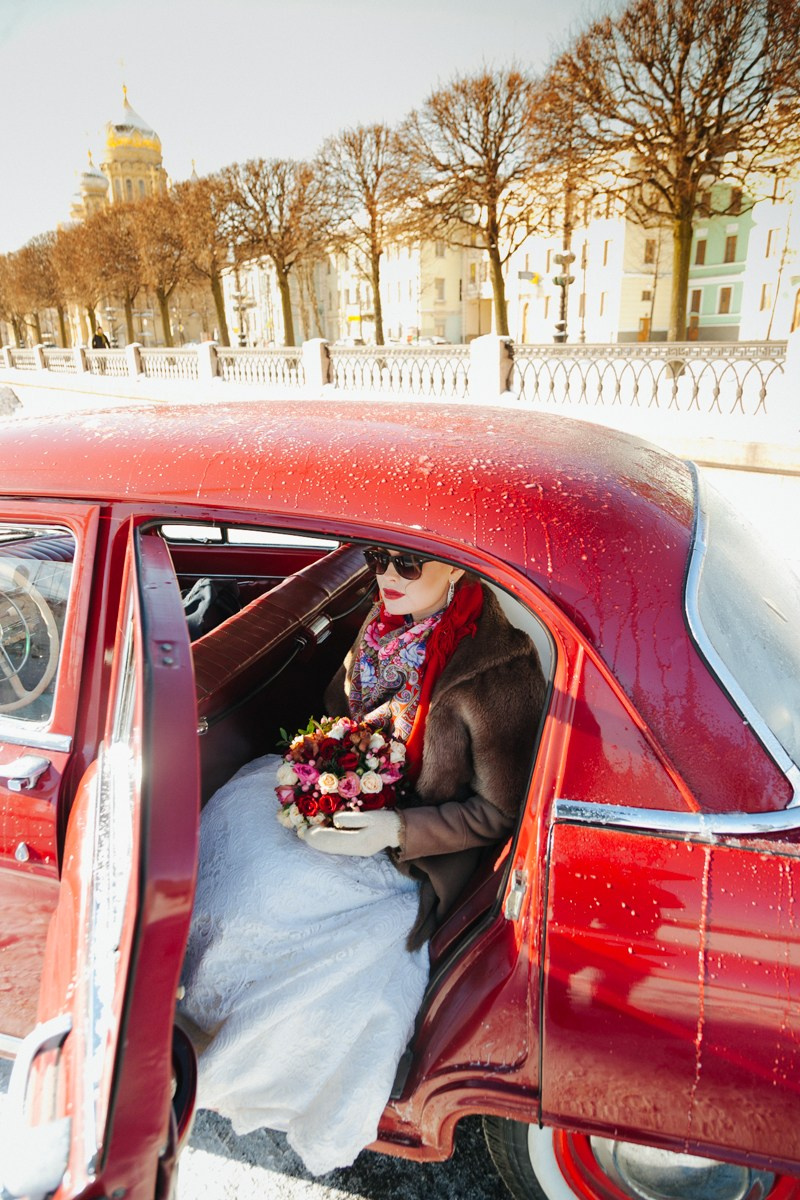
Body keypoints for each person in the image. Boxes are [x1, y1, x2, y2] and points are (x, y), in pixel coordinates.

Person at [178, 547, 547, 1175]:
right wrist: (318, 771)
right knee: (229, 834)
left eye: (408, 565)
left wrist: (392, 826)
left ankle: (228, 1047)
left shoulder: (497, 670)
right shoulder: (380, 625)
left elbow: (495, 813)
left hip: (418, 849)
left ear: (457, 569)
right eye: (379, 560)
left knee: (274, 902)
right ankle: (187, 1008)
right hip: (351, 800)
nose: (386, 578)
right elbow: (337, 716)